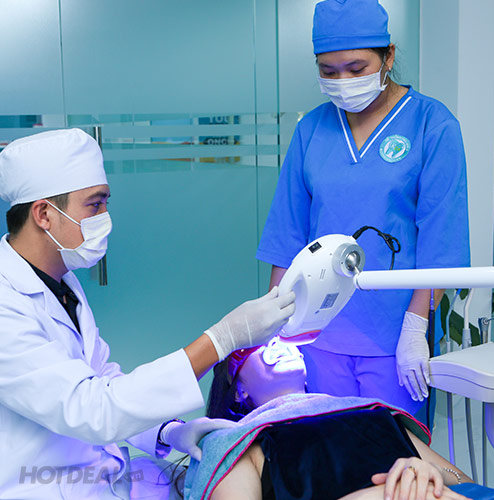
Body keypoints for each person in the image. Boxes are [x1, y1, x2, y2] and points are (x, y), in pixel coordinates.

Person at [0, 128, 295, 499]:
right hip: (40, 486)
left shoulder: (62, 284)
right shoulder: (6, 304)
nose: (105, 217)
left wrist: (167, 431)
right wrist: (221, 340)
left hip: (101, 477)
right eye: (94, 205)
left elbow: (103, 379)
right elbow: (93, 408)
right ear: (44, 214)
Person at [255, 0, 470, 420]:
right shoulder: (312, 129)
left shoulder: (432, 124)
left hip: (394, 334)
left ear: (388, 56)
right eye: (329, 71)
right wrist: (273, 325)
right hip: (316, 332)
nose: (343, 82)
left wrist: (415, 327)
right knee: (327, 448)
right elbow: (287, 232)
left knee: (394, 453)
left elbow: (441, 237)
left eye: (356, 68)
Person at [180, 340, 494, 500]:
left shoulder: (369, 411)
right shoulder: (233, 442)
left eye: (282, 338)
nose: (278, 344)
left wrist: (426, 472)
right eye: (260, 345)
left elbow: (465, 483)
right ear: (238, 390)